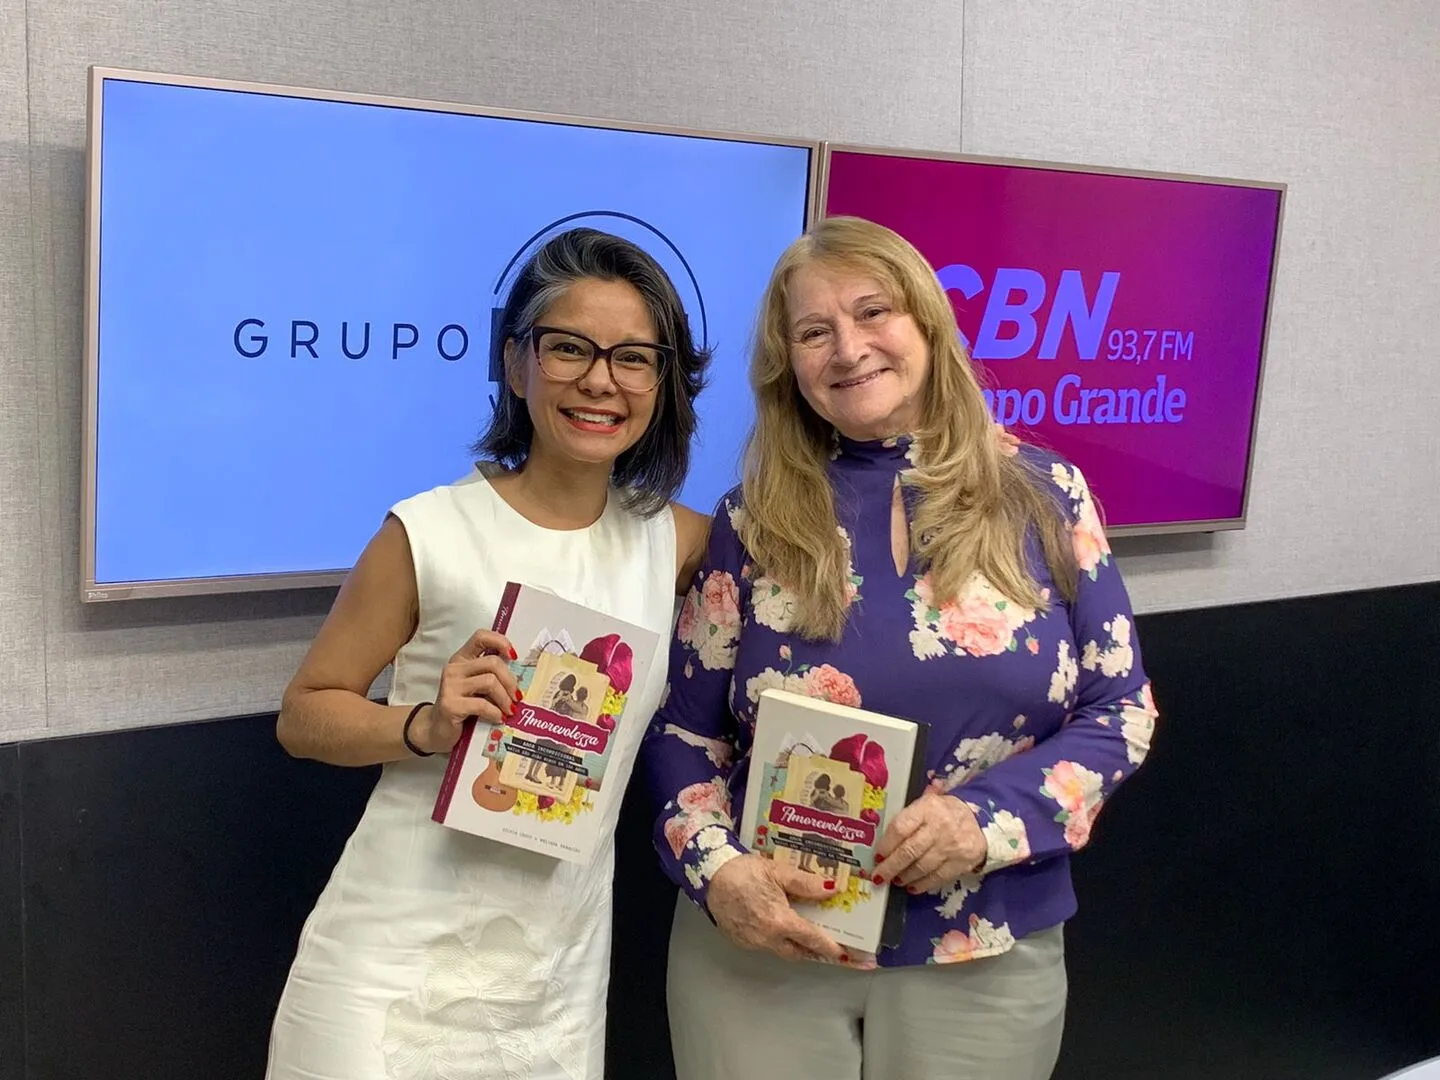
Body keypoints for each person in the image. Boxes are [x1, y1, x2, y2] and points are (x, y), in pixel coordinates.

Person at [642, 216, 1160, 1080]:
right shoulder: (752, 521)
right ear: (788, 368)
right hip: (765, 950)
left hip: (983, 951)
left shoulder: (1046, 495)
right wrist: (715, 870)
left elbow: (1123, 713)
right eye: (814, 332)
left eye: (872, 312)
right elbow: (684, 738)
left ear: (925, 322)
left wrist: (985, 820)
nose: (848, 348)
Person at [266, 227, 711, 1080]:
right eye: (569, 349)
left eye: (633, 358)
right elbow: (305, 714)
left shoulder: (678, 545)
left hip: (552, 979)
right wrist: (426, 724)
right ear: (515, 364)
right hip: (390, 965)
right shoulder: (429, 531)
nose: (599, 380)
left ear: (663, 382)